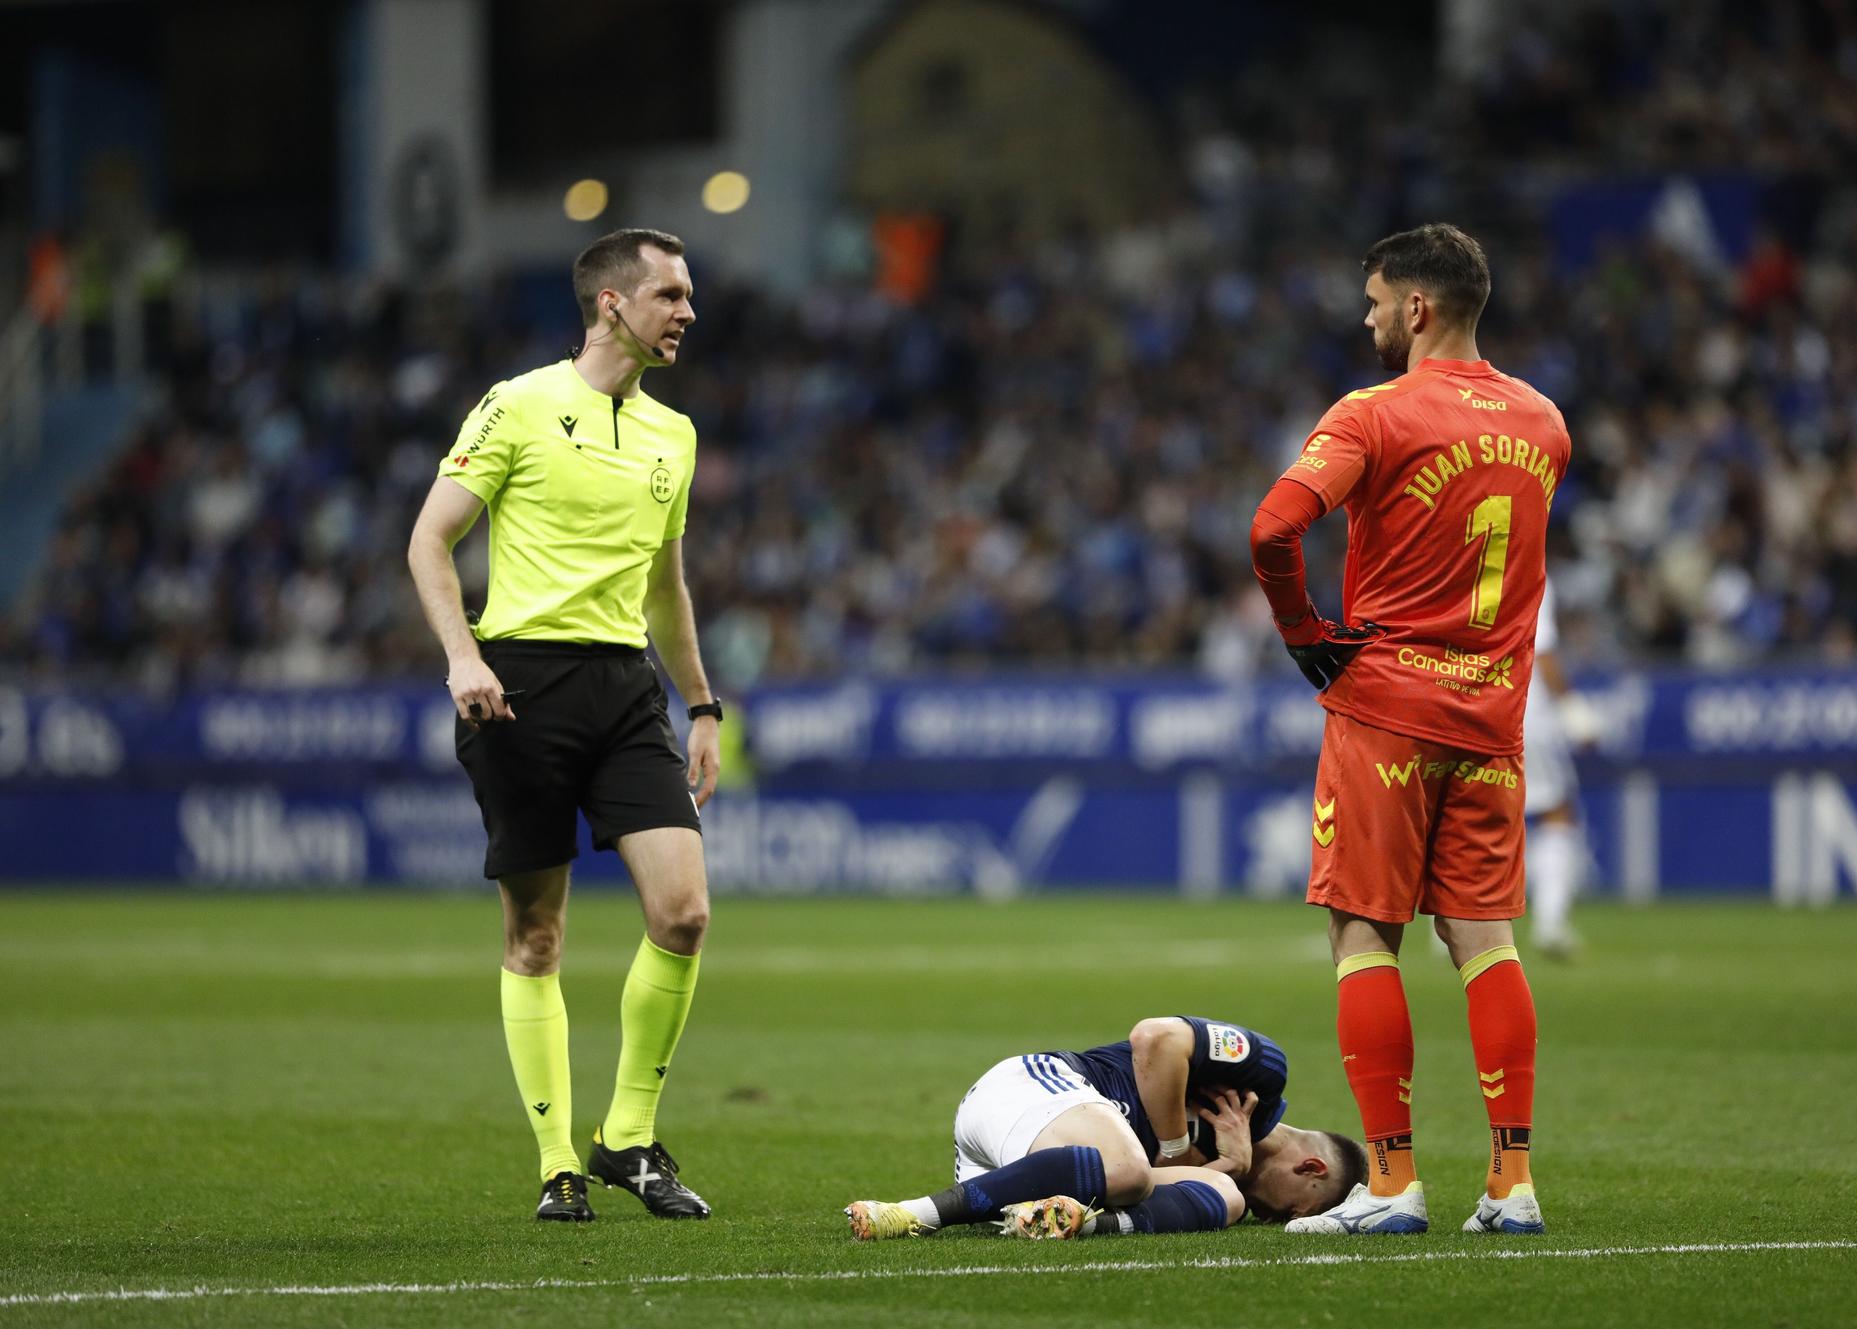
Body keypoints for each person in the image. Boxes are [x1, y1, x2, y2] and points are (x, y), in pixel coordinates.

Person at [1248, 223, 1571, 1237]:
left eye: (1377, 299)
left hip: (1384, 706)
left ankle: (1389, 1186)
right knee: (1483, 941)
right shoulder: (1544, 421)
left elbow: (1270, 527)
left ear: (1417, 309)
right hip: (1490, 716)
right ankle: (1510, 1186)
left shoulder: (1372, 414)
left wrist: (1305, 633)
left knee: (1361, 937)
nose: (1367, 316)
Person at [407, 228, 723, 1223]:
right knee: (535, 936)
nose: (687, 311)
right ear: (612, 306)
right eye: (669, 294)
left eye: (687, 295)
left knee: (682, 912)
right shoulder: (518, 404)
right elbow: (429, 537)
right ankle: (557, 1163)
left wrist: (702, 704)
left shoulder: (675, 435)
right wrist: (462, 656)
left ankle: (627, 1136)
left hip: (625, 689)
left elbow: (665, 588)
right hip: (520, 686)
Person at [844, 1016, 1364, 1240]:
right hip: (1028, 1087)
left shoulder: (1233, 1174)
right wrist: (1178, 1148)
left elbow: (1199, 1179)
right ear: (1311, 1167)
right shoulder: (1263, 1073)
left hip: (1018, 1170)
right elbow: (1155, 1038)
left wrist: (1222, 1165)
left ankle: (1076, 1222)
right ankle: (911, 1214)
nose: (1273, 1220)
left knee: (1224, 1196)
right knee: (1130, 1171)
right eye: (1296, 1209)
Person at [1520, 592, 1599, 957]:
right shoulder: (1524, 555)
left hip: (1460, 701)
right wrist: (1571, 709)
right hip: (1523, 709)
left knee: (1462, 816)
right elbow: (1543, 648)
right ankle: (1550, 923)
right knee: (1556, 812)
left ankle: (1448, 931)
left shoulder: (1451, 553)